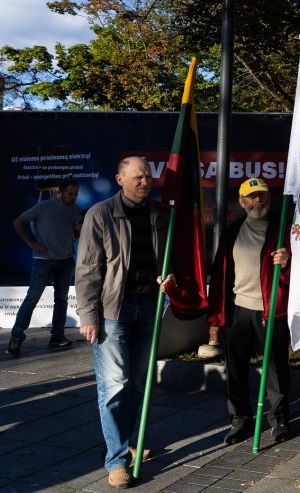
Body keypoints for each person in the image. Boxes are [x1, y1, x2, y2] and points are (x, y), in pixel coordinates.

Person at [75, 157, 171, 489]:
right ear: (120, 178)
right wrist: (88, 315)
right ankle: (116, 461)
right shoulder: (101, 214)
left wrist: (168, 276)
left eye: (147, 176)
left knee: (140, 384)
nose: (144, 181)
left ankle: (131, 440)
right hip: (113, 310)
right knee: (114, 384)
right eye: (137, 177)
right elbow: (87, 268)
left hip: (149, 306)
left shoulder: (160, 213)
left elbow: (169, 256)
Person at [206, 178, 292, 445]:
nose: (259, 201)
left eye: (263, 196)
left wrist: (289, 260)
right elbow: (220, 275)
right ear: (242, 202)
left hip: (271, 310)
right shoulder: (232, 232)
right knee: (235, 370)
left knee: (276, 369)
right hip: (238, 310)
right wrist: (216, 316)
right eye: (252, 197)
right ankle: (240, 421)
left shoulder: (283, 231)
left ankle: (279, 421)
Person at [7, 178, 83, 355]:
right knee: (32, 298)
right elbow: (18, 222)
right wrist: (31, 242)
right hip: (43, 260)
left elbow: (76, 233)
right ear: (60, 192)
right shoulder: (44, 206)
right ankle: (16, 338)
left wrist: (77, 232)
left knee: (62, 299)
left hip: (65, 260)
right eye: (70, 193)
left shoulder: (77, 211)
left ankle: (57, 336)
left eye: (76, 194)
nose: (73, 197)